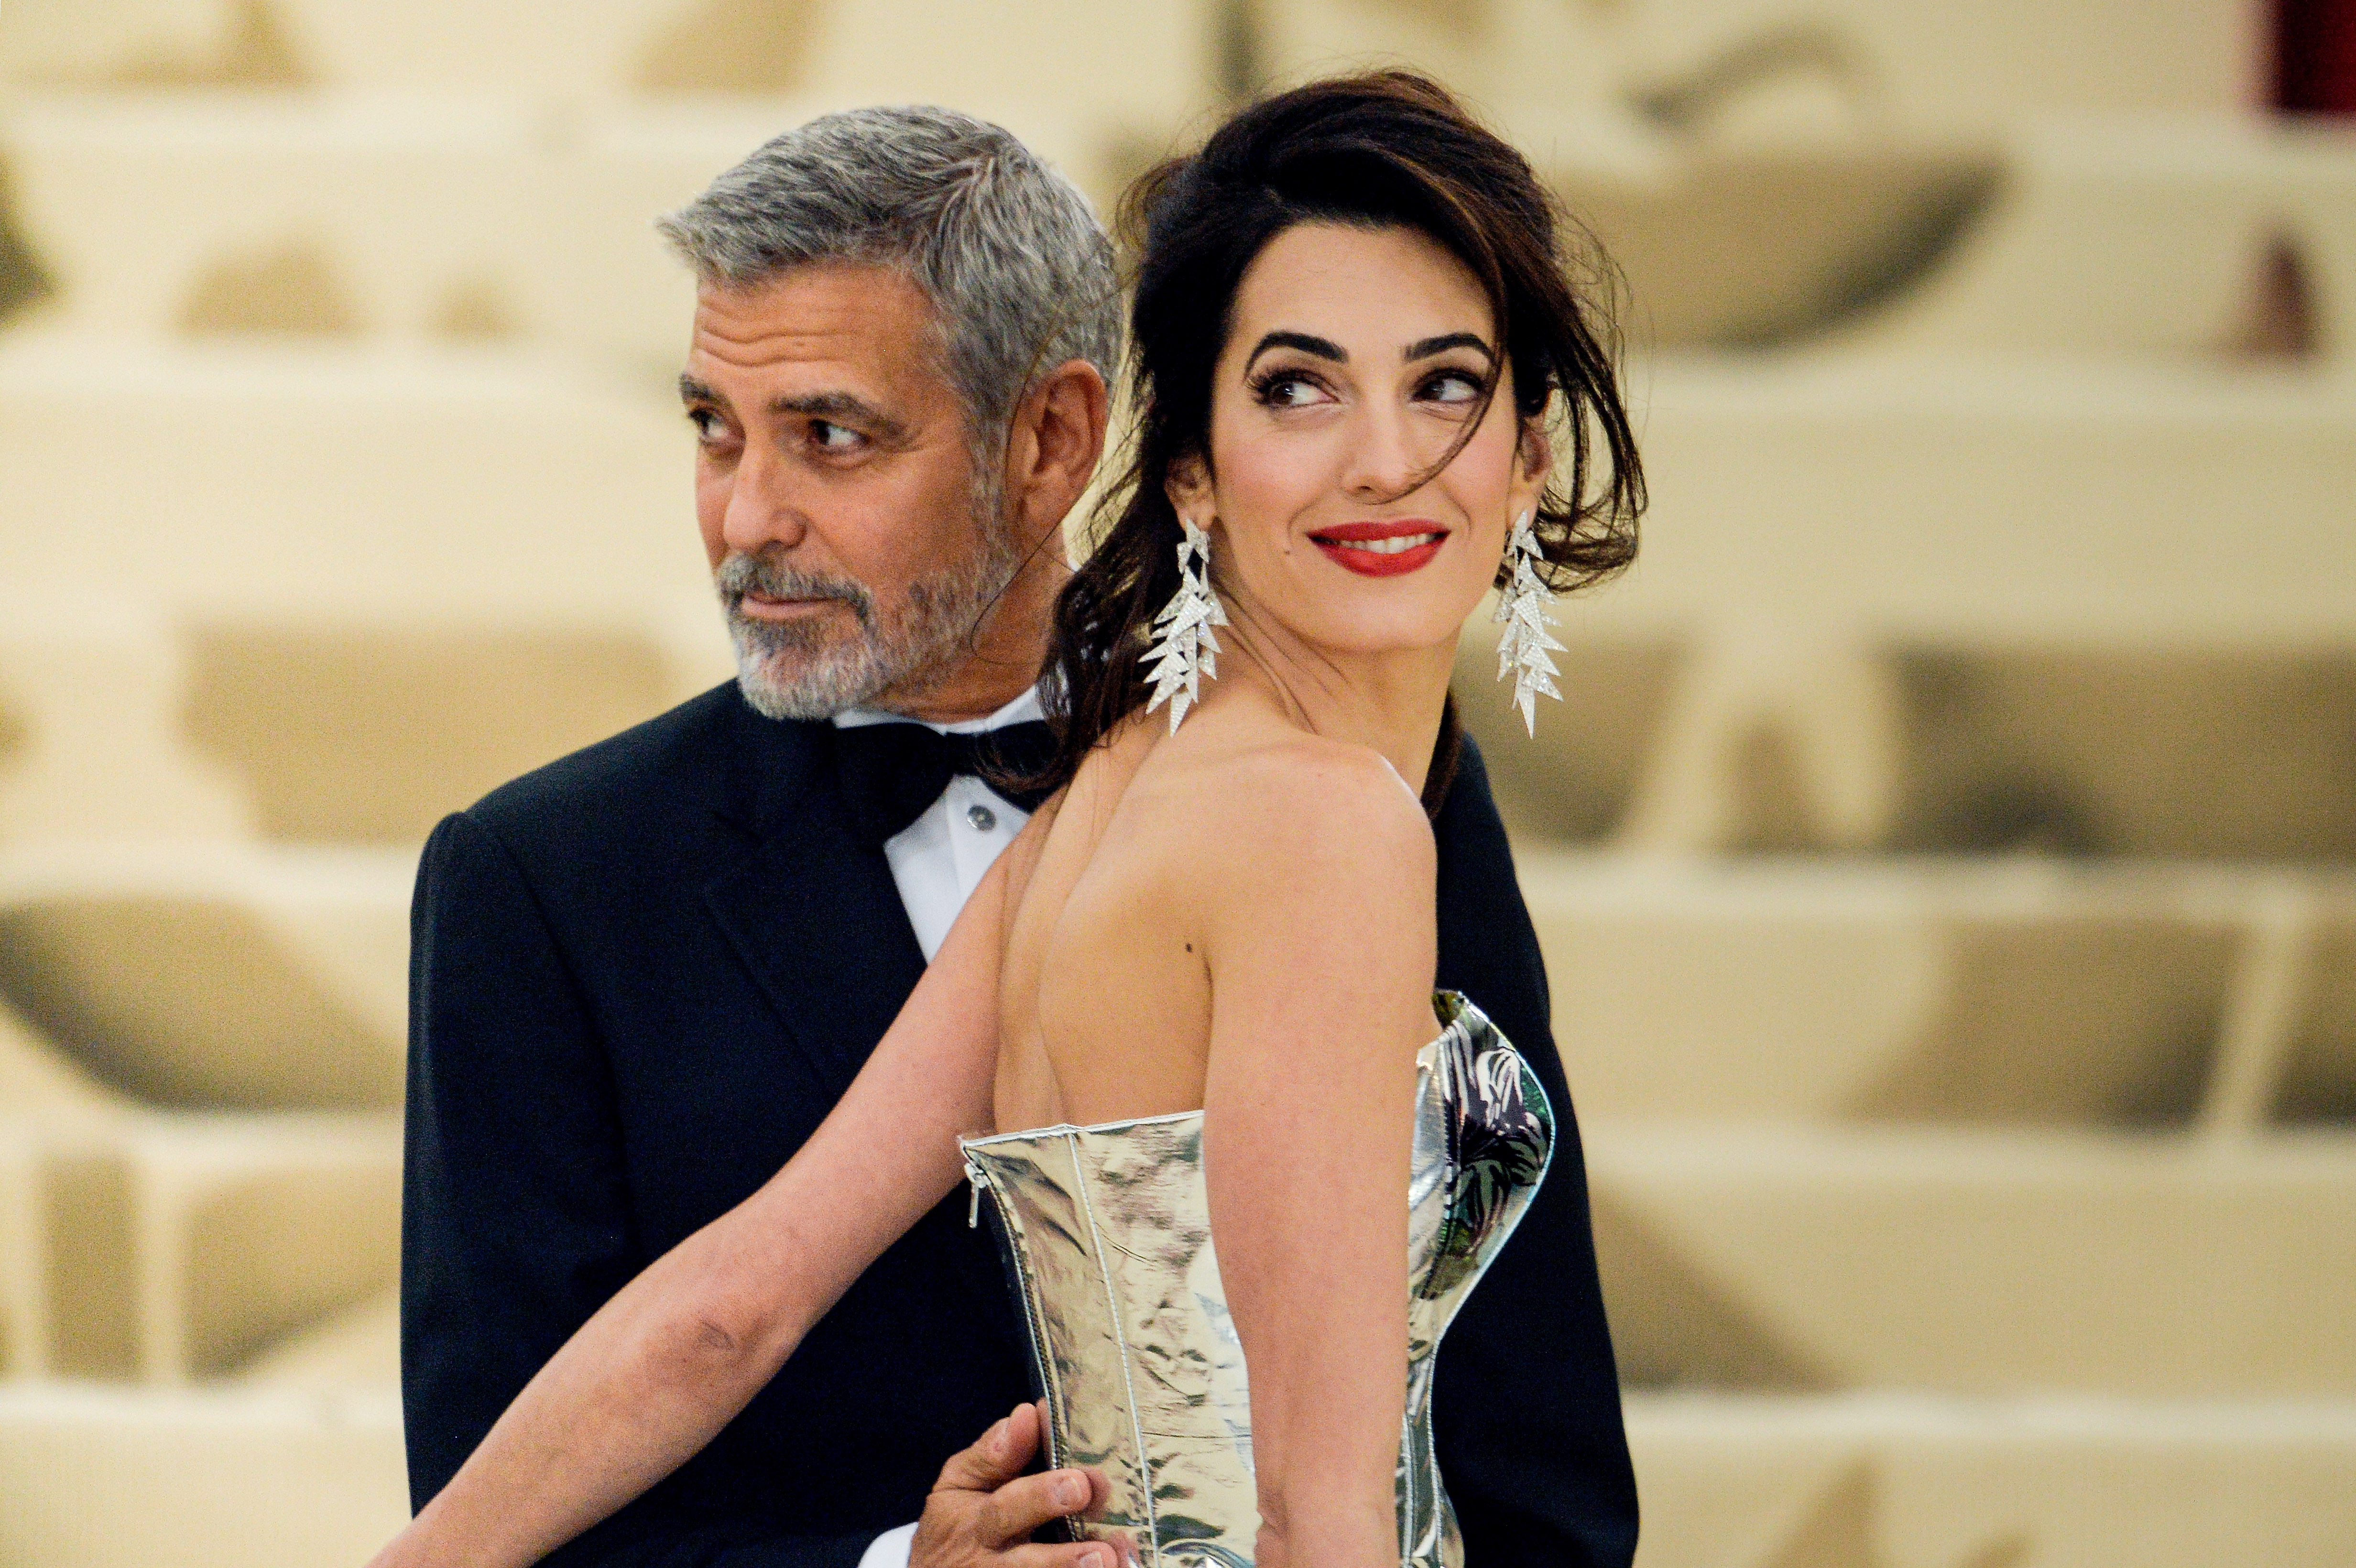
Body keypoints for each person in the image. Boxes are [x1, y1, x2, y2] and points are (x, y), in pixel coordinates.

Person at [396, 80, 1636, 1568]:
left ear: (1532, 451)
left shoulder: (1112, 794)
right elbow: (1319, 1515)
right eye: (1298, 388)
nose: (1384, 458)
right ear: (1186, 465)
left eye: (1444, 386)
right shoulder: (1329, 826)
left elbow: (735, 1300)